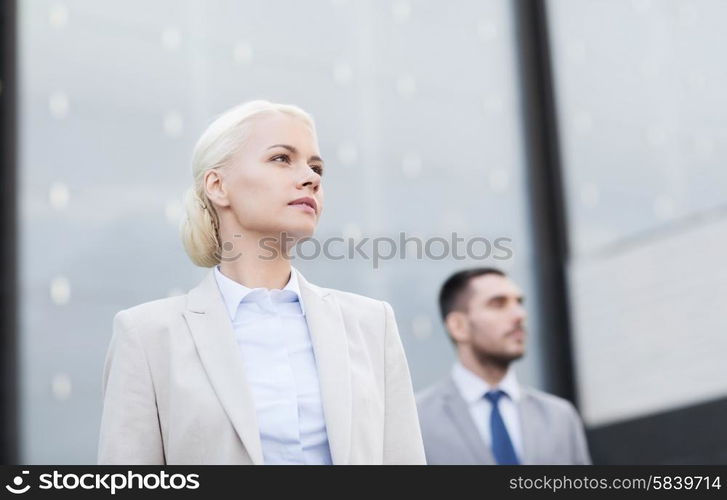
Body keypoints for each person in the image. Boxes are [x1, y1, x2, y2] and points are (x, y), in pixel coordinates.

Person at [98, 100, 425, 465]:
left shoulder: (372, 324)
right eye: (281, 158)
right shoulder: (147, 336)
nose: (311, 178)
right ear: (218, 185)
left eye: (316, 167)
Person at [416, 268, 591, 465]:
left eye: (519, 303)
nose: (519, 315)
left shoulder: (560, 417)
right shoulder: (417, 420)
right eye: (498, 304)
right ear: (458, 326)